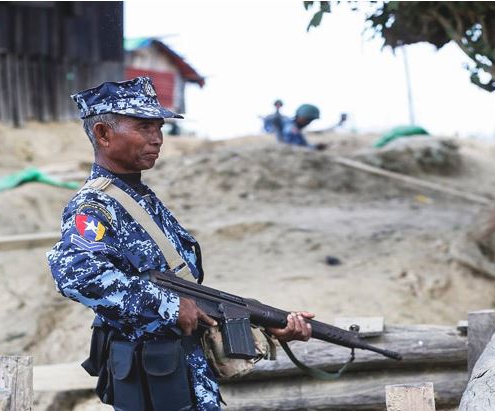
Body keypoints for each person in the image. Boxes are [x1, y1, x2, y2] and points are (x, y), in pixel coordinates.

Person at [47, 77, 314, 411]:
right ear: (103, 133)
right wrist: (168, 307)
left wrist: (274, 328)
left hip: (186, 379)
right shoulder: (95, 205)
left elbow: (192, 297)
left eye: (159, 128)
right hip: (155, 388)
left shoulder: (140, 198)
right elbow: (77, 275)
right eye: (143, 127)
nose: (157, 139)